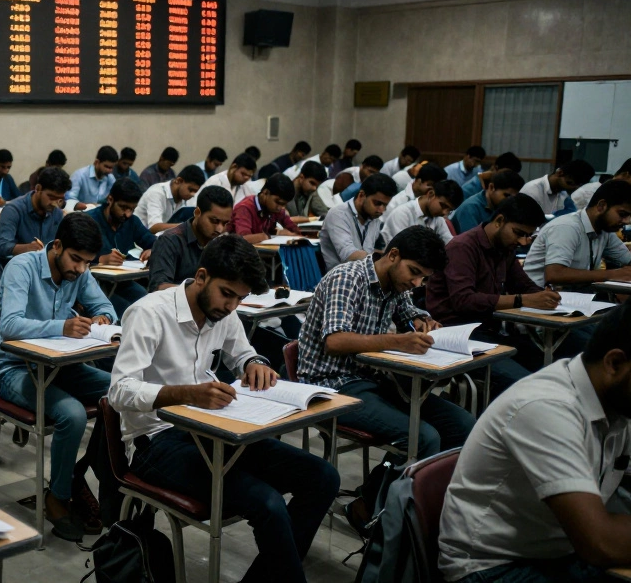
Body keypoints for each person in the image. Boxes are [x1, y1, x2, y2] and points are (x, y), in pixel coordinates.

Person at [110, 235, 339, 583]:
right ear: (201, 276)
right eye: (227, 294)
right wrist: (187, 393)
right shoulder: (149, 313)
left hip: (213, 428)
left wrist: (255, 363)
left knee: (323, 477)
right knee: (268, 503)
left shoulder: (223, 312)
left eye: (241, 298)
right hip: (155, 442)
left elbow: (242, 353)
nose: (232, 306)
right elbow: (120, 391)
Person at [438, 303, 631, 583]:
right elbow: (600, 543)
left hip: (559, 551)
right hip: (494, 566)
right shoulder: (546, 408)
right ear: (614, 364)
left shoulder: (617, 401)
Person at [299, 227, 474, 485]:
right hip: (331, 386)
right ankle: (373, 509)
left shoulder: (396, 284)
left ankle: (414, 503)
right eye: (414, 272)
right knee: (423, 438)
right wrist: (398, 341)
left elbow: (409, 314)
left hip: (373, 380)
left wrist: (424, 321)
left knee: (462, 423)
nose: (417, 283)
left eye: (424, 279)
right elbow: (335, 341)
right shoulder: (347, 278)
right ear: (393, 255)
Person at [0, 213, 116, 540]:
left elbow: (105, 307)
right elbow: (10, 326)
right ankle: (57, 496)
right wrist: (62, 326)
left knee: (121, 391)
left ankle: (82, 472)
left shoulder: (79, 270)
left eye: (87, 262)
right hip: (13, 369)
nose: (80, 269)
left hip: (60, 366)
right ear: (56, 246)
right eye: (75, 259)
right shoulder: (22, 267)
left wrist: (102, 316)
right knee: (71, 414)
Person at [426, 194, 560, 372]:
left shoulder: (505, 248)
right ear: (499, 221)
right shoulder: (463, 247)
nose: (522, 241)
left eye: (528, 236)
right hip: (457, 335)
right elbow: (464, 301)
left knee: (548, 366)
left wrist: (545, 295)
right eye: (519, 233)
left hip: (489, 332)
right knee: (522, 380)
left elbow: (524, 286)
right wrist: (523, 300)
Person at [523, 179, 631, 291]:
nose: (627, 221)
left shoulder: (604, 230)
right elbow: (555, 274)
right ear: (601, 206)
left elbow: (628, 260)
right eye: (622, 214)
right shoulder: (567, 227)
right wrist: (612, 274)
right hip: (536, 297)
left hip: (570, 297)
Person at [87, 178, 156, 316]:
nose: (128, 214)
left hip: (121, 282)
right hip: (93, 284)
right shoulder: (89, 220)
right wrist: (100, 259)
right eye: (123, 208)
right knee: (125, 309)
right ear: (110, 199)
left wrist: (153, 250)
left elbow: (155, 242)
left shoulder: (132, 221)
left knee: (144, 300)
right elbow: (74, 253)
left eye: (132, 209)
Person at [149, 186, 233, 291]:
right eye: (214, 221)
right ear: (197, 213)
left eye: (225, 223)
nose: (220, 229)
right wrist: (202, 290)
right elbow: (159, 287)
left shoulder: (220, 243)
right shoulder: (170, 241)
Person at [0, 166, 69, 269]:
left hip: (48, 269)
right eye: (51, 197)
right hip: (19, 268)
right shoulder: (13, 210)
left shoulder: (57, 213)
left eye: (60, 199)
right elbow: (2, 248)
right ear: (38, 189)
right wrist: (27, 248)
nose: (55, 203)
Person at [320, 173, 398, 270]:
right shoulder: (338, 214)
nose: (381, 210)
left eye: (385, 205)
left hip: (363, 276)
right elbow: (349, 255)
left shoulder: (374, 218)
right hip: (340, 279)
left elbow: (367, 251)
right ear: (361, 195)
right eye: (377, 203)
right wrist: (385, 259)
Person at [381, 179, 463, 246]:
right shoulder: (403, 213)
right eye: (443, 206)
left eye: (449, 210)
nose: (445, 213)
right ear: (431, 194)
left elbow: (450, 244)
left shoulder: (437, 218)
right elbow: (403, 250)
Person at [227, 173, 302, 243]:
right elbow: (243, 239)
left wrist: (296, 235)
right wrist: (266, 236)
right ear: (265, 193)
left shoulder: (275, 209)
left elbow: (291, 226)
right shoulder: (244, 208)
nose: (280, 208)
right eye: (278, 202)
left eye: (284, 205)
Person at [134, 164, 206, 233]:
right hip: (136, 236)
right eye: (190, 190)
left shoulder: (183, 197)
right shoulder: (156, 193)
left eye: (195, 192)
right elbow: (153, 227)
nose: (193, 195)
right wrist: (185, 227)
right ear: (179, 181)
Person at [451, 170, 524, 234]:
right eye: (506, 195)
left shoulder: (502, 207)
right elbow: (471, 243)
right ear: (491, 187)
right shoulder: (470, 208)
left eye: (513, 197)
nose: (510, 200)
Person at [520, 159, 596, 215]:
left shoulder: (564, 195)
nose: (573, 188)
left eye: (578, 186)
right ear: (559, 173)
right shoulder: (532, 190)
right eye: (570, 183)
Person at [382, 163, 449, 219]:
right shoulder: (398, 202)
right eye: (431, 185)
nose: (433, 191)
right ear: (419, 181)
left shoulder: (433, 205)